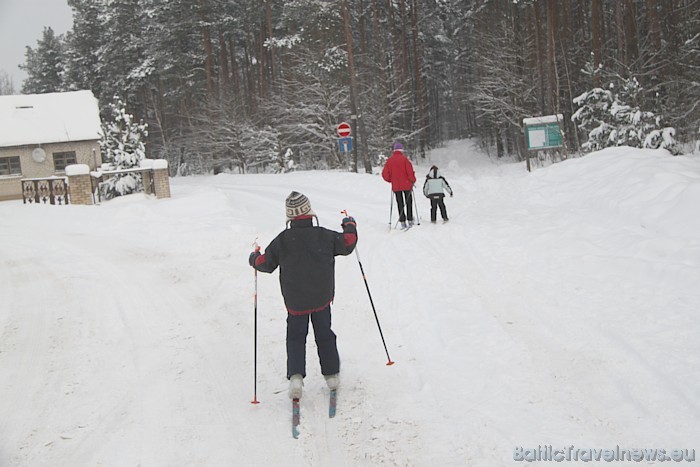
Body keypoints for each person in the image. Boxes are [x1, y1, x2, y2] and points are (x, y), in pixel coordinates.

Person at [248, 191, 358, 400]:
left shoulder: (283, 240)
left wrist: (254, 258)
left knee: (296, 338)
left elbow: (265, 264)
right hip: (321, 298)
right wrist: (349, 224)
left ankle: (296, 377)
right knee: (325, 335)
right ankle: (332, 375)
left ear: (289, 216)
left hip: (296, 301)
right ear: (309, 212)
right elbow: (348, 243)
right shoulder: (325, 236)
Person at [382, 142, 416, 229]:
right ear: (401, 150)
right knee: (409, 202)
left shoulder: (389, 161)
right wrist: (412, 181)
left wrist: (391, 180)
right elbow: (410, 172)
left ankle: (402, 221)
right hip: (407, 185)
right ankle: (410, 220)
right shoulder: (405, 160)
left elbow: (385, 174)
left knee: (400, 203)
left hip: (396, 186)